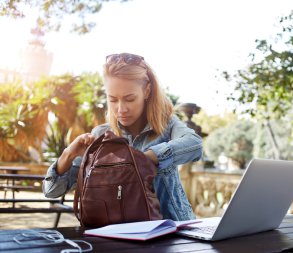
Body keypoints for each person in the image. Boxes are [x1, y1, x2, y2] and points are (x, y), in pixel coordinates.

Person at [43, 53, 203, 221]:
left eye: (129, 99)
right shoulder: (100, 136)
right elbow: (51, 191)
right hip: (117, 234)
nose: (121, 109)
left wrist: (146, 159)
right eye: (113, 100)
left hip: (173, 229)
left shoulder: (167, 125)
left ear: (147, 91)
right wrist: (68, 154)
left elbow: (195, 145)